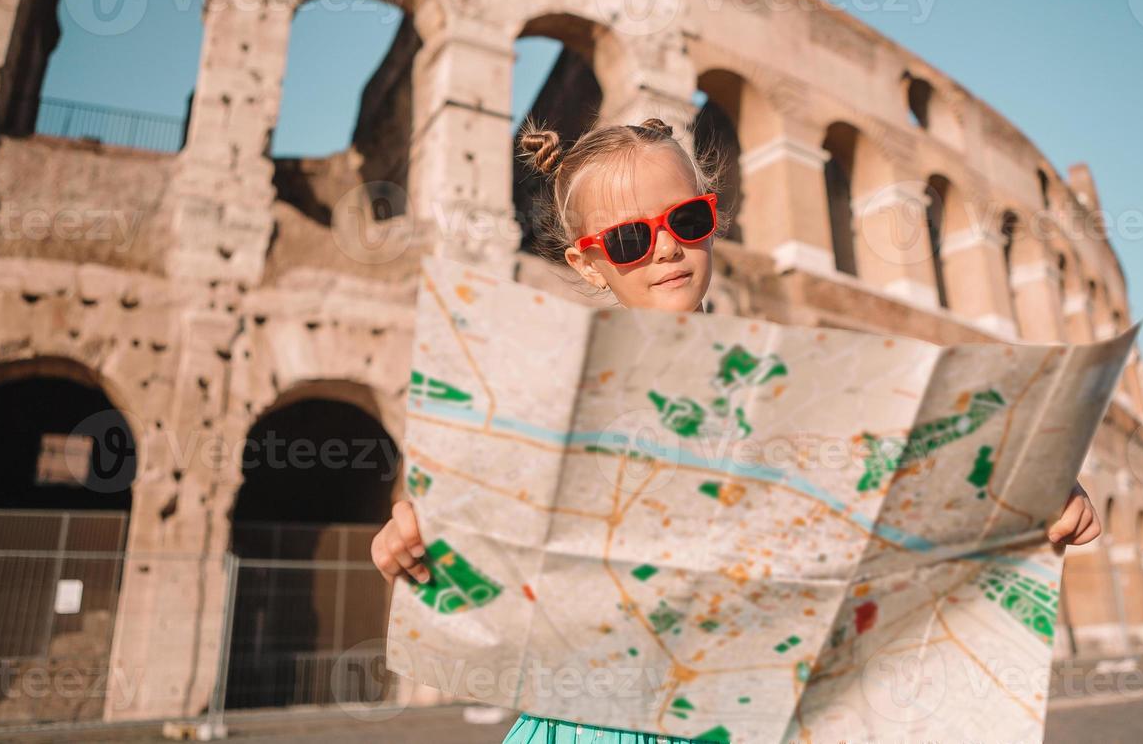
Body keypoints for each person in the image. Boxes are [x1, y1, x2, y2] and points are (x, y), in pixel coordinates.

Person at [371, 115, 1104, 742]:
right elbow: (476, 530)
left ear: (711, 218)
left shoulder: (789, 386)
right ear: (588, 263)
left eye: (686, 221)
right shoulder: (550, 404)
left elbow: (918, 488)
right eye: (629, 239)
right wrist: (405, 539)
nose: (666, 247)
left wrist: (1036, 490)